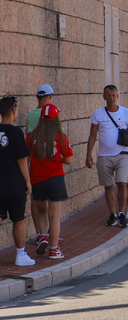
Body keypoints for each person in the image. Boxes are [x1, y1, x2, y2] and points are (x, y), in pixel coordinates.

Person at [86, 85, 128, 228]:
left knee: (122, 183)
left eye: (114, 95)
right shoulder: (98, 114)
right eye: (109, 96)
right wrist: (89, 153)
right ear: (104, 97)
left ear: (118, 96)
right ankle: (112, 214)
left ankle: (122, 213)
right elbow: (92, 135)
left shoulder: (126, 113)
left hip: (122, 154)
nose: (112, 98)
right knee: (108, 186)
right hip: (104, 155)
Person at [26, 104, 73, 259]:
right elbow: (68, 159)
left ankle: (43, 236)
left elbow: (24, 158)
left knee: (41, 211)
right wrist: (56, 158)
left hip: (37, 179)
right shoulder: (61, 137)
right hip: (55, 179)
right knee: (54, 216)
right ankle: (54, 249)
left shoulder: (31, 136)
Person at [0, 96, 35, 266]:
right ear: (14, 112)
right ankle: (21, 255)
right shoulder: (15, 132)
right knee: (18, 219)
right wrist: (27, 181)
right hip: (14, 184)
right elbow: (22, 160)